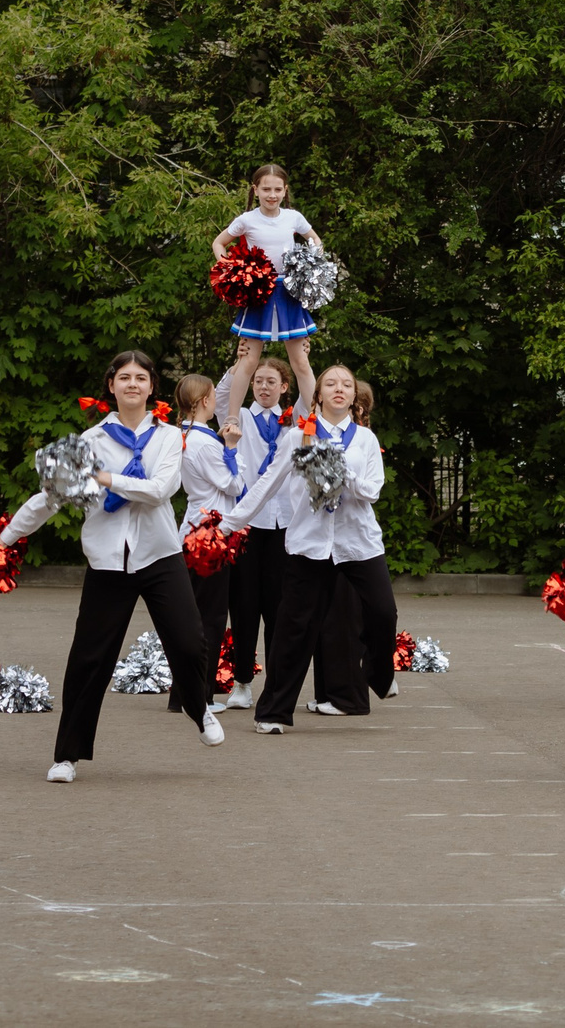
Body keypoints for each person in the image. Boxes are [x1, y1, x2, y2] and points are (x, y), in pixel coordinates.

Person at [0, 352, 224, 781]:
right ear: (111, 386)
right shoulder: (88, 442)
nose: (133, 384)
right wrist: (5, 539)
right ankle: (67, 755)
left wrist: (106, 480)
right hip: (108, 561)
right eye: (124, 377)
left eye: (141, 377)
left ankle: (200, 711)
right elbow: (50, 499)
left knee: (190, 642)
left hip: (159, 554)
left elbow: (160, 490)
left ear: (152, 386)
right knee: (89, 659)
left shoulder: (171, 437)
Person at [221, 365, 402, 736]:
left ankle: (379, 675)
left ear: (354, 397)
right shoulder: (296, 437)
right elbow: (265, 486)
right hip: (310, 544)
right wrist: (225, 525)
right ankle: (272, 712)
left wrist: (338, 468)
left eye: (346, 384)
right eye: (330, 383)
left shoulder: (365, 440)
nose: (339, 389)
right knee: (294, 627)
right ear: (317, 394)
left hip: (358, 542)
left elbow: (371, 491)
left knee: (384, 612)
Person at [220, 359, 299, 710]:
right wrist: (242, 362)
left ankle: (278, 686)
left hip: (284, 525)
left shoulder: (295, 420)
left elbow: (313, 396)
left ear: (284, 386)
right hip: (248, 524)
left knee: (279, 609)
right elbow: (223, 394)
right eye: (258, 381)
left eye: (271, 382)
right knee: (244, 605)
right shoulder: (239, 418)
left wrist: (303, 361)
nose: (263, 387)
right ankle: (242, 682)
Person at [213, 165, 323, 414]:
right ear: (256, 190)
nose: (271, 194)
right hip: (258, 290)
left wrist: (311, 261)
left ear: (285, 191)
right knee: (249, 360)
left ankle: (318, 419)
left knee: (301, 362)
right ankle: (233, 418)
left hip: (288, 291)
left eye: (277, 189)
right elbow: (219, 242)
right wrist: (230, 267)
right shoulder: (246, 219)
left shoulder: (293, 217)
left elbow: (315, 240)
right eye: (266, 189)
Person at [170, 372, 242, 716]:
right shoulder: (205, 442)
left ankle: (182, 692)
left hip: (192, 527)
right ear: (202, 402)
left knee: (195, 613)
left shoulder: (179, 434)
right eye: (213, 395)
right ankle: (198, 693)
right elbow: (233, 485)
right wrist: (231, 450)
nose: (217, 401)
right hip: (210, 534)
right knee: (210, 617)